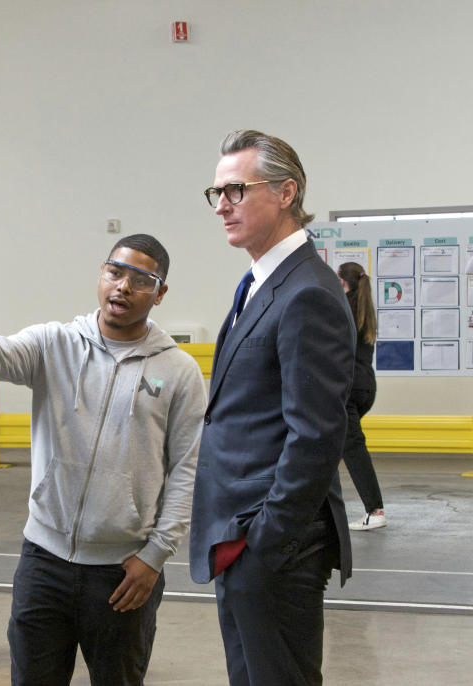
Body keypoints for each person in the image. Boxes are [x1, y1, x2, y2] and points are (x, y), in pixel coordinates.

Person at [0, 234, 206, 686]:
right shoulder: (53, 344)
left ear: (160, 292)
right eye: (115, 273)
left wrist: (154, 557)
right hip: (44, 561)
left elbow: (188, 470)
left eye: (140, 280)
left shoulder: (178, 371)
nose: (122, 288)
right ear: (101, 274)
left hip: (122, 572)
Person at [188, 130, 356, 686]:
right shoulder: (260, 281)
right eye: (217, 194)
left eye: (236, 190)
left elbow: (315, 436)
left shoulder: (307, 291)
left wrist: (266, 544)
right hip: (239, 536)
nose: (223, 207)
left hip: (272, 547)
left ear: (287, 192)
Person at [337, 262, 386, 530]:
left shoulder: (343, 307)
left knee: (352, 447)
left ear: (342, 282)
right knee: (330, 443)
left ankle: (374, 510)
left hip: (349, 388)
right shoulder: (364, 308)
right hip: (367, 386)